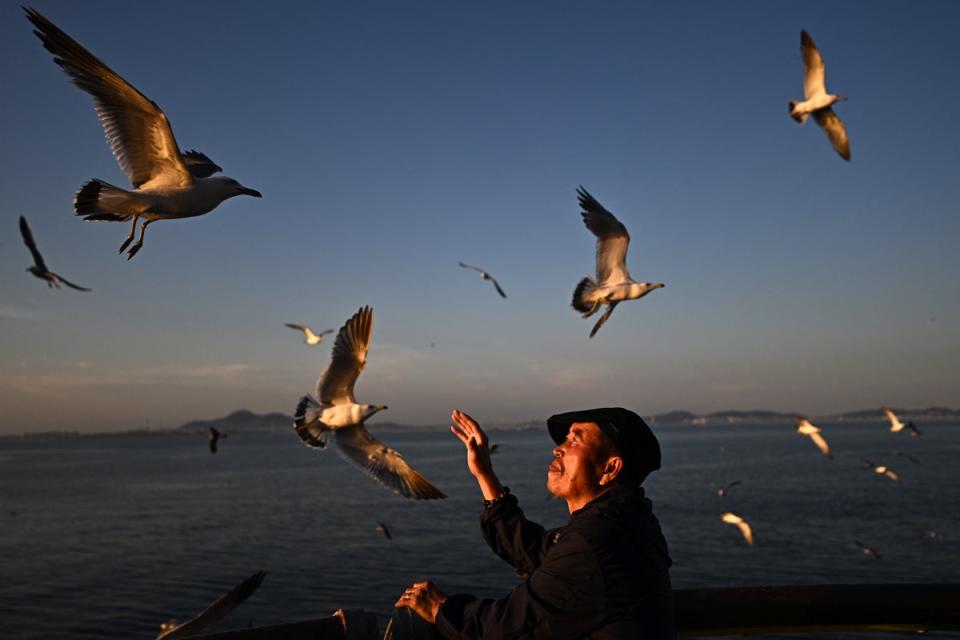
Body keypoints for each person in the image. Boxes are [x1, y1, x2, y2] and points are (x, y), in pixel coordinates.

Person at [395, 407, 675, 639]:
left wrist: (440, 609)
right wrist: (485, 475)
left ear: (610, 469)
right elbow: (535, 550)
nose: (558, 449)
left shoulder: (596, 540)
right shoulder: (621, 522)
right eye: (563, 440)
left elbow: (508, 627)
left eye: (575, 440)